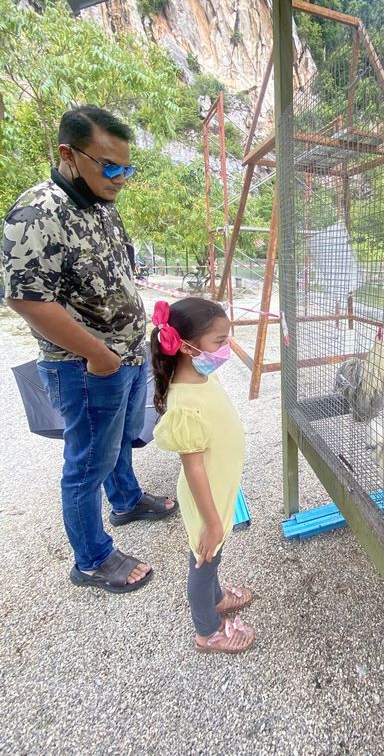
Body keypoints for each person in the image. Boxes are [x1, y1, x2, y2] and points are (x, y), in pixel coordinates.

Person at [3, 105, 177, 593]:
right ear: (69, 155)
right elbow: (25, 298)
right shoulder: (38, 211)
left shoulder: (102, 203)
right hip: (84, 367)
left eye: (127, 168)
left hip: (125, 355)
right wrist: (99, 355)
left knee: (119, 440)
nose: (121, 177)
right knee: (86, 462)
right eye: (110, 166)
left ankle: (125, 502)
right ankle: (92, 558)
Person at [151, 298, 255, 654]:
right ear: (185, 346)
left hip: (218, 488)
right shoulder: (184, 402)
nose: (226, 349)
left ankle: (217, 598)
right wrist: (211, 521)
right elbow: (193, 467)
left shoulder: (200, 375)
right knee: (203, 559)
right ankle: (207, 631)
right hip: (205, 496)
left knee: (213, 555)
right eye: (220, 341)